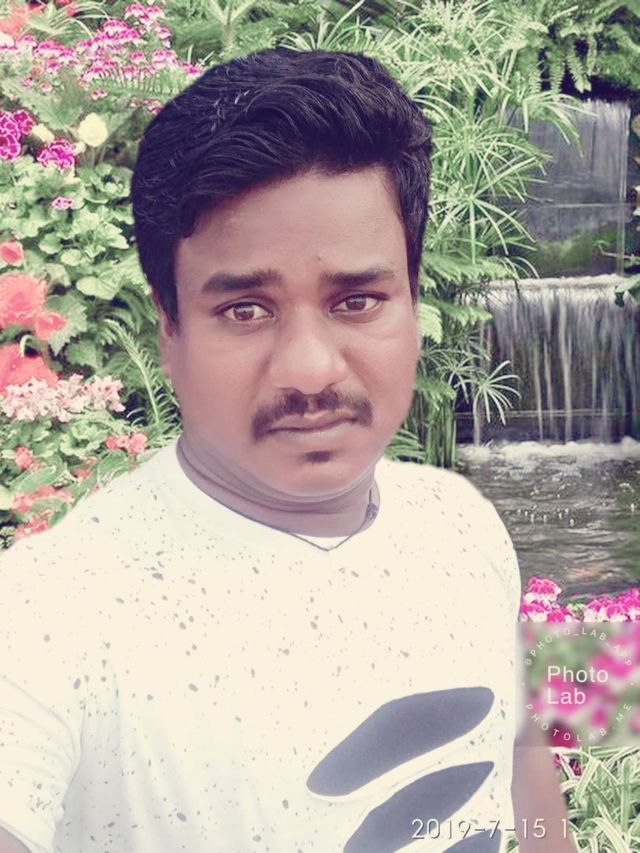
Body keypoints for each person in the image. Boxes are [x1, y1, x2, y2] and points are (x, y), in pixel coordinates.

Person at [0, 48, 576, 853]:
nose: (309, 368)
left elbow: (519, 754)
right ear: (168, 330)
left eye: (357, 299)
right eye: (245, 309)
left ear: (413, 304)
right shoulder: (52, 614)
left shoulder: (461, 525)